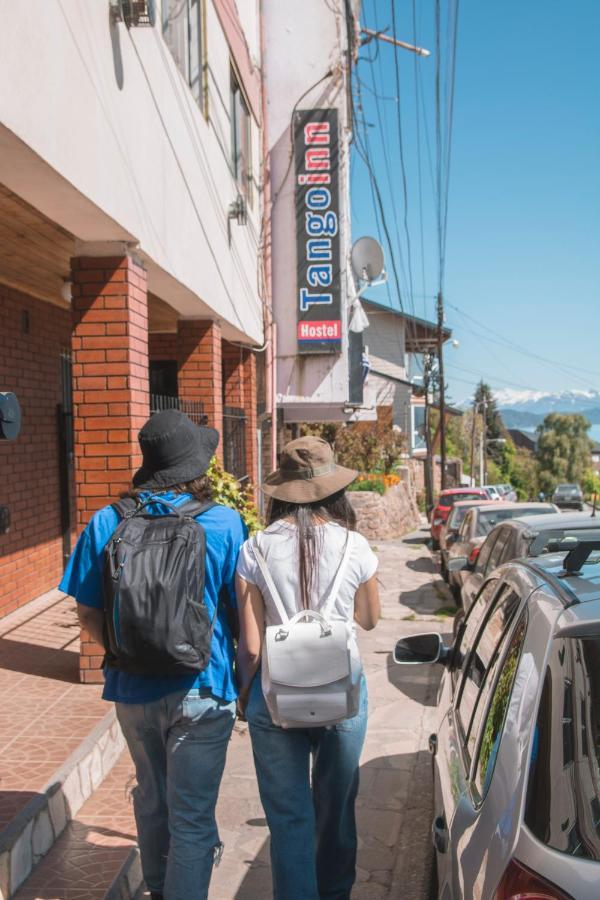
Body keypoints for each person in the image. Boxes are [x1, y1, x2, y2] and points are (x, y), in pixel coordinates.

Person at [59, 409, 246, 900]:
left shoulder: (106, 522)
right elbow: (240, 611)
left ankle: (159, 890)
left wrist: (127, 650)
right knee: (193, 817)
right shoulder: (224, 523)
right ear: (197, 467)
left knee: (151, 797)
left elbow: (86, 615)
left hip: (132, 689)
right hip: (203, 688)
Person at [235, 436, 380, 900]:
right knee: (335, 809)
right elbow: (370, 620)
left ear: (282, 490)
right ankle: (335, 893)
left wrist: (244, 695)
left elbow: (252, 647)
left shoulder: (254, 548)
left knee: (288, 817)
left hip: (275, 693)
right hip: (342, 689)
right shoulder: (355, 546)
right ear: (334, 490)